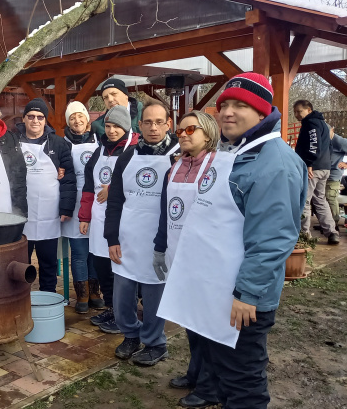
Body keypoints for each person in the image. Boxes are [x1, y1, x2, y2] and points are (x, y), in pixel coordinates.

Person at [158, 73, 307, 409]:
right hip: (218, 291)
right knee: (225, 376)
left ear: (262, 111)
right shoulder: (237, 151)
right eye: (225, 104)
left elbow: (272, 239)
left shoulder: (274, 163)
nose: (228, 112)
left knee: (244, 385)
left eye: (241, 105)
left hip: (243, 300)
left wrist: (248, 294)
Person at [152, 110, 220, 408]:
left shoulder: (218, 166)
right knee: (190, 321)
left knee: (206, 324)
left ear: (207, 132)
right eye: (179, 130)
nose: (183, 134)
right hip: (179, 254)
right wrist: (160, 248)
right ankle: (195, 373)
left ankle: (210, 387)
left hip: (206, 258)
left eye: (190, 129)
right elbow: (166, 213)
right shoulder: (175, 166)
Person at [104, 98, 179, 366]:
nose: (153, 127)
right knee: (122, 293)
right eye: (147, 122)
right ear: (140, 124)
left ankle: (155, 342)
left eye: (159, 122)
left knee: (153, 293)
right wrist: (111, 237)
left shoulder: (179, 156)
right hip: (127, 237)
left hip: (160, 240)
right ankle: (130, 335)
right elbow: (115, 200)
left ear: (169, 124)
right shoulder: (128, 156)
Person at [79, 105, 137, 334]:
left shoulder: (134, 149)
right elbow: (87, 185)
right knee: (101, 266)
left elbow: (137, 181)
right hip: (97, 217)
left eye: (117, 127)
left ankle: (125, 313)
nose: (112, 131)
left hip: (121, 220)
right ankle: (112, 308)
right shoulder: (100, 149)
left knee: (119, 269)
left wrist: (113, 189)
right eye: (109, 126)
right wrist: (84, 216)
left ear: (126, 127)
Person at [14, 98, 75, 292]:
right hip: (20, 214)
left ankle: (48, 298)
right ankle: (20, 301)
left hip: (49, 214)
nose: (35, 120)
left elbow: (69, 178)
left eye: (40, 117)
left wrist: (66, 207)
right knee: (20, 264)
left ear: (45, 121)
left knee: (48, 263)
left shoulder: (58, 143)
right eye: (30, 116)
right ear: (23, 119)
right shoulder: (13, 142)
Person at [62, 101, 103, 313]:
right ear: (67, 122)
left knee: (94, 251)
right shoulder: (62, 144)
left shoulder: (100, 141)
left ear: (87, 118)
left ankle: (96, 291)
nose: (77, 121)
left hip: (97, 201)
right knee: (79, 251)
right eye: (72, 118)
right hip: (74, 200)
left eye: (80, 116)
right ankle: (82, 295)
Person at [294, 99, 338, 244]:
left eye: (299, 111)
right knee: (320, 200)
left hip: (313, 168)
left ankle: (304, 234)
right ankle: (332, 232)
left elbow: (314, 144)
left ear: (309, 110)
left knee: (305, 200)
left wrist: (309, 162)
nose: (297, 114)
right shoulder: (324, 124)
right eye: (295, 112)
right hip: (325, 167)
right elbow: (328, 146)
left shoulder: (310, 123)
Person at [327, 125, 347, 229]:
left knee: (331, 197)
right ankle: (327, 222)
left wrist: (346, 164)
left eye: (327, 131)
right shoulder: (323, 140)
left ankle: (334, 222)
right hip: (323, 172)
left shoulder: (340, 141)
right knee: (323, 198)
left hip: (334, 173)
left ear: (332, 130)